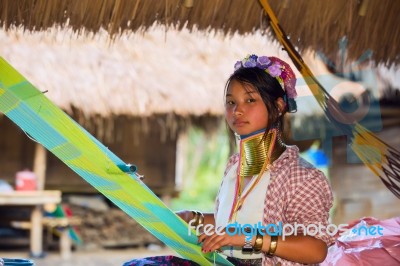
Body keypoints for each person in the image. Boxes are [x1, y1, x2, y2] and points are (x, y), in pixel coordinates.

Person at [124, 54, 334, 266]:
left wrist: (249, 237)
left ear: (279, 106)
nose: (237, 110)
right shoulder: (235, 167)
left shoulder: (301, 176)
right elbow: (232, 225)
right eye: (231, 102)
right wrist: (192, 218)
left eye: (250, 100)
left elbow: (315, 249)